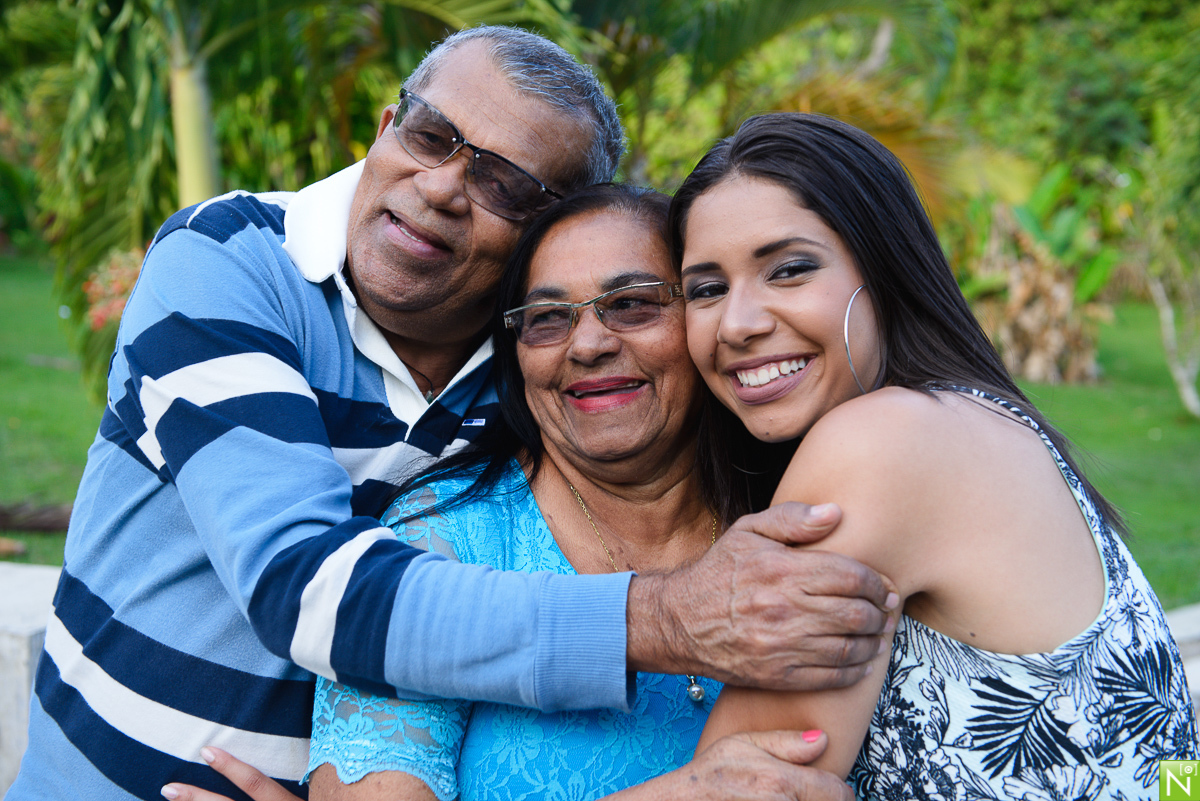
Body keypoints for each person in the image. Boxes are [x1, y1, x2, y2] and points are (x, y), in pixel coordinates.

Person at [6, 29, 894, 801]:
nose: (438, 188)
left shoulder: (525, 369)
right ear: (388, 128)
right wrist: (669, 618)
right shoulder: (229, 265)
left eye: (504, 184)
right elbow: (304, 588)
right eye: (431, 135)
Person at [670, 112, 1199, 797]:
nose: (738, 323)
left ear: (884, 270)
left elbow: (741, 789)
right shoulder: (979, 416)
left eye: (790, 270)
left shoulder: (882, 445)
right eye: (706, 288)